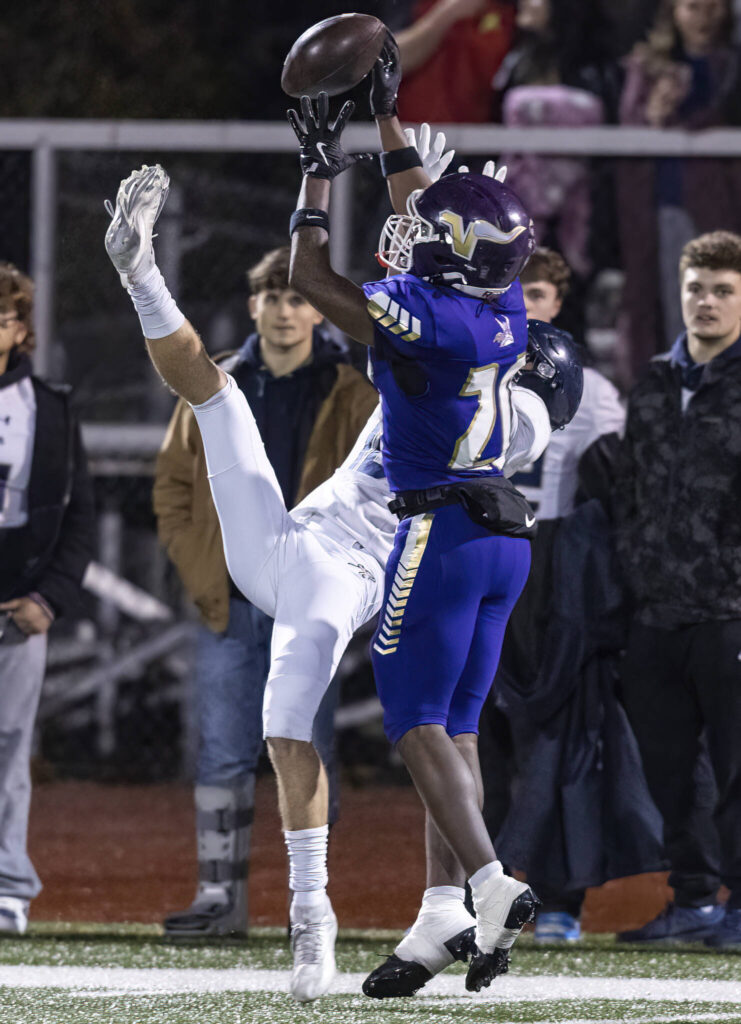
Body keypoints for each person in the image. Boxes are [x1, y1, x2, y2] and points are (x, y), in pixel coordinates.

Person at [103, 162, 553, 996]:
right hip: (375, 539)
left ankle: (317, 917)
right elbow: (425, 293)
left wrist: (359, 183)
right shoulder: (494, 359)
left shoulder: (448, 349)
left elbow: (354, 292)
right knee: (452, 731)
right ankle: (440, 903)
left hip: (360, 567)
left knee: (303, 717)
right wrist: (427, 201)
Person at [285, 29, 554, 990]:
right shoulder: (503, 300)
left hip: (436, 528)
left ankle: (484, 881)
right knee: (458, 724)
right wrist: (389, 113)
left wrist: (316, 173)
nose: (425, 230)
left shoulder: (432, 316)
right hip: (504, 538)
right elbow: (433, 217)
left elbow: (308, 281)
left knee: (409, 721)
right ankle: (444, 911)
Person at [154, 247, 377, 937]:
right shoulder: (216, 381)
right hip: (232, 601)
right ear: (253, 305)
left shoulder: (348, 387)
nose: (286, 311)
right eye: (272, 297)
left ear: (318, 307)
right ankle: (219, 896)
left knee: (308, 743)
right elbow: (173, 487)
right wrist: (205, 573)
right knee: (222, 748)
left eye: (297, 297)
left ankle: (305, 903)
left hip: (311, 597)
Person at [480, 249, 663, 945]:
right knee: (479, 743)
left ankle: (557, 898)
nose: (522, 306)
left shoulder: (589, 391)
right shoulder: (463, 370)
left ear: (556, 304)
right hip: (472, 560)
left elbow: (615, 488)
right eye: (509, 292)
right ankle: (481, 889)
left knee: (555, 746)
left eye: (533, 293)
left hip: (546, 573)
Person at [614, 230, 741, 948]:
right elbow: (630, 489)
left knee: (736, 769)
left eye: (723, 290)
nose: (706, 301)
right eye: (697, 287)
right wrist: (635, 573)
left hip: (729, 614)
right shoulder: (652, 385)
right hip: (657, 616)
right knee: (668, 772)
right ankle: (691, 897)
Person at [0, 262, 95, 934]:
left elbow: (79, 517)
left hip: (17, 608)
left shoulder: (52, 407)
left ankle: (7, 887)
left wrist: (51, 599)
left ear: (20, 329)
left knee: (8, 748)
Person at [618, 0, 741, 372]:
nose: (703, 17)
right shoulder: (648, 66)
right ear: (673, 12)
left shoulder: (731, 65)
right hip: (663, 199)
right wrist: (654, 112)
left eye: (712, 7)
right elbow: (630, 124)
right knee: (675, 300)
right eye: (693, 7)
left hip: (723, 202)